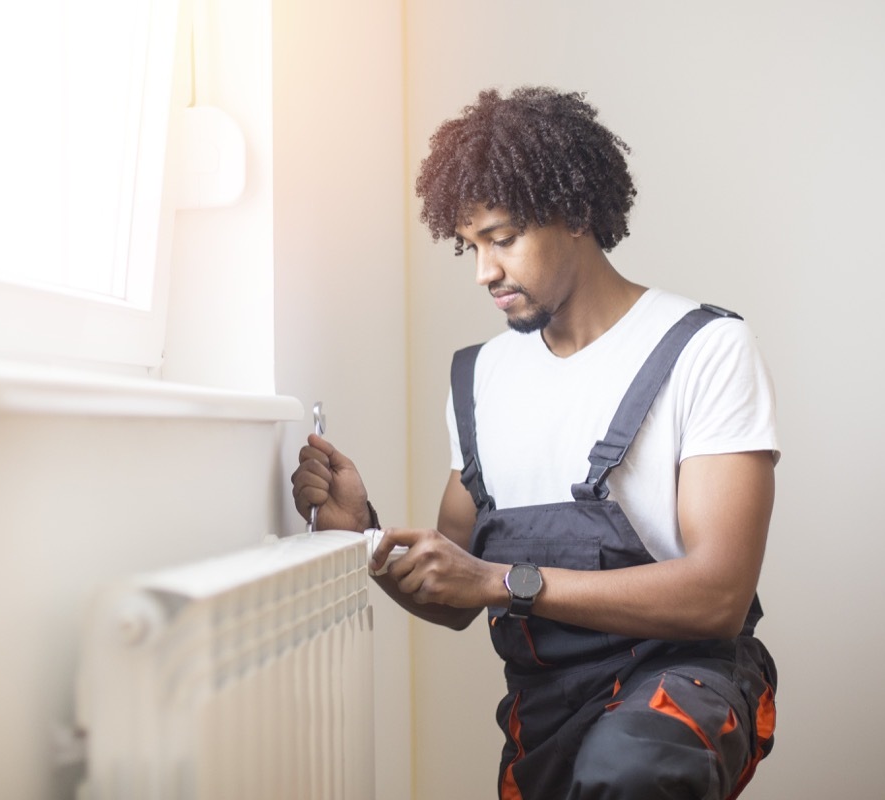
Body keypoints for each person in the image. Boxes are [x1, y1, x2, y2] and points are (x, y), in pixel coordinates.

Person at [291, 86, 779, 800]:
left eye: (503, 238)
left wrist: (504, 581)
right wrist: (361, 536)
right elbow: (457, 595)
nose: (484, 272)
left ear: (576, 213)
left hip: (681, 690)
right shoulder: (479, 376)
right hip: (544, 709)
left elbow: (718, 598)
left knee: (630, 773)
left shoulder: (705, 350)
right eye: (472, 245)